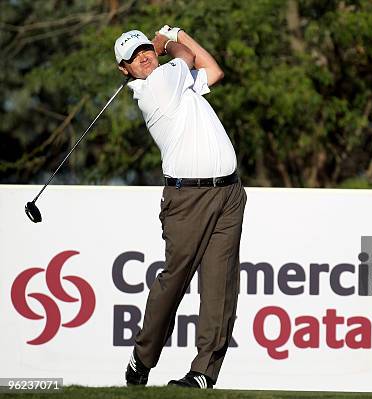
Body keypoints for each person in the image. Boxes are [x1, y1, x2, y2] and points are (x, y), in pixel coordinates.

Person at [114, 26, 247, 389]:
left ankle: (203, 372)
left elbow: (214, 71)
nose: (144, 56)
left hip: (229, 193)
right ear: (124, 70)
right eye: (133, 57)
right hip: (188, 199)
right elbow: (187, 58)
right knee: (174, 280)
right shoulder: (155, 87)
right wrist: (168, 41)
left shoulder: (176, 81)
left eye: (146, 49)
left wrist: (180, 34)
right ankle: (143, 357)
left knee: (220, 285)